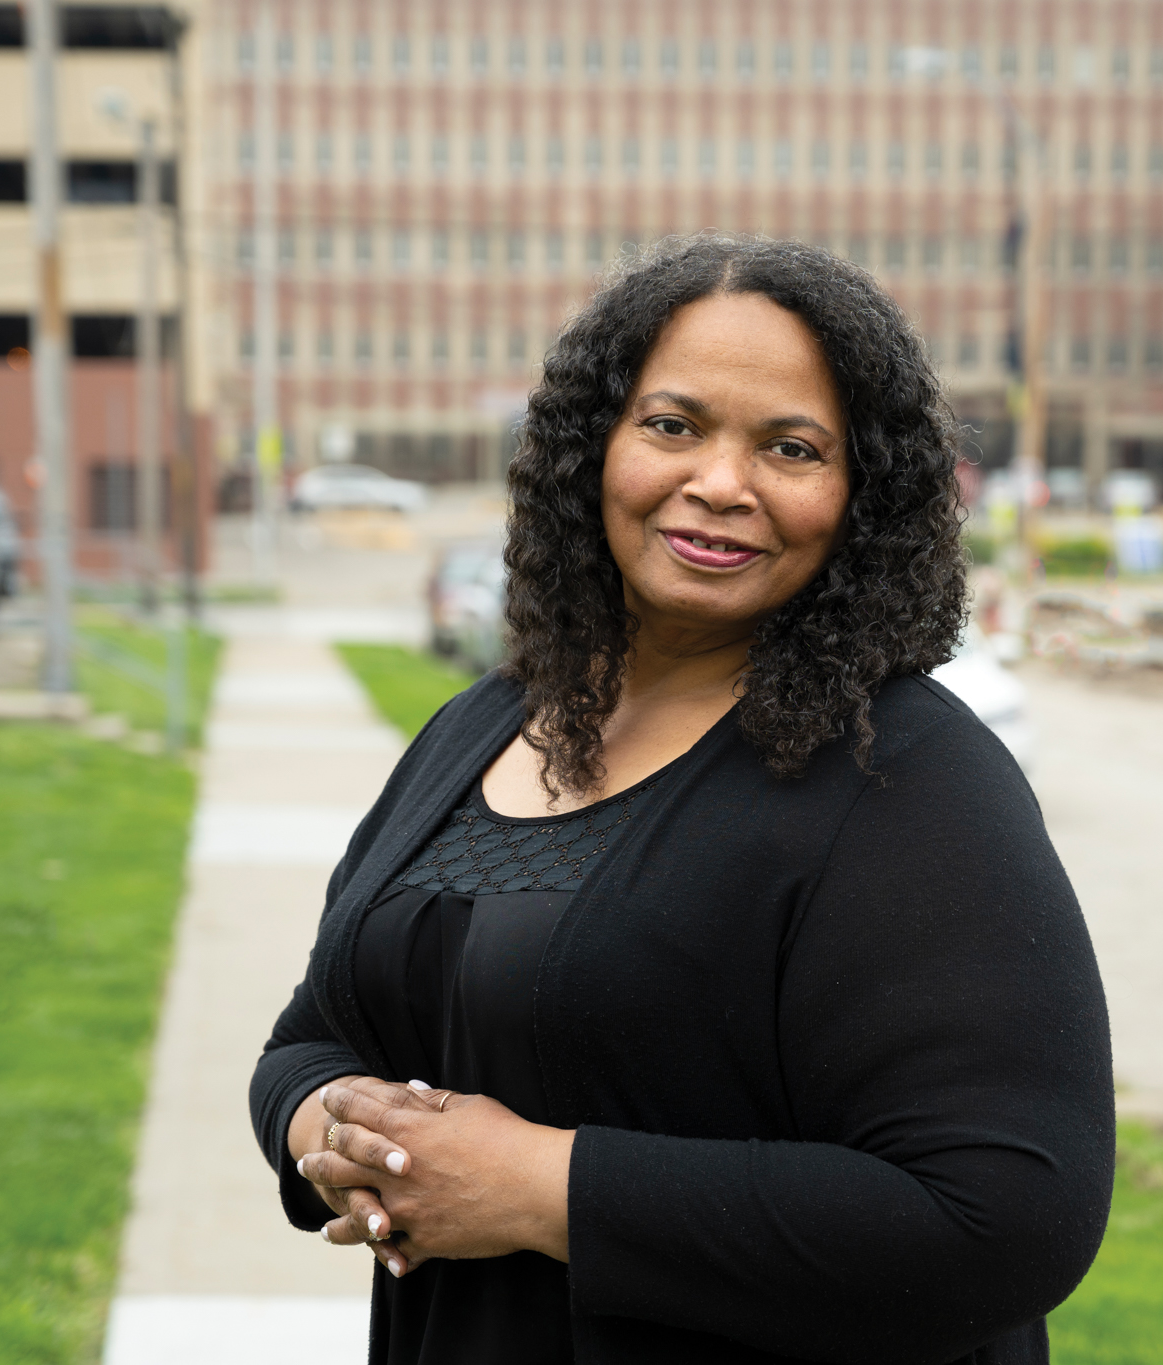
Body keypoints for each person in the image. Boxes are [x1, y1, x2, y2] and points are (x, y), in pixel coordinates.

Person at [250, 235, 1115, 1365]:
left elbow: (1003, 1218)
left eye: (791, 448)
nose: (719, 483)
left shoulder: (908, 778)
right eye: (672, 425)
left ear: (862, 496)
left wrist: (541, 1189)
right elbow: (311, 1037)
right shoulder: (483, 725)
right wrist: (344, 1138)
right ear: (593, 447)